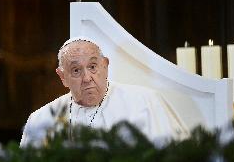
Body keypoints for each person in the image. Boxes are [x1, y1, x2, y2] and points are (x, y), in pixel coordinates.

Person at [20, 37, 188, 147]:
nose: (87, 78)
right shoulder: (42, 119)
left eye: (93, 67)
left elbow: (178, 153)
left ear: (105, 66)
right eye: (76, 70)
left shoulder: (146, 102)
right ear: (62, 76)